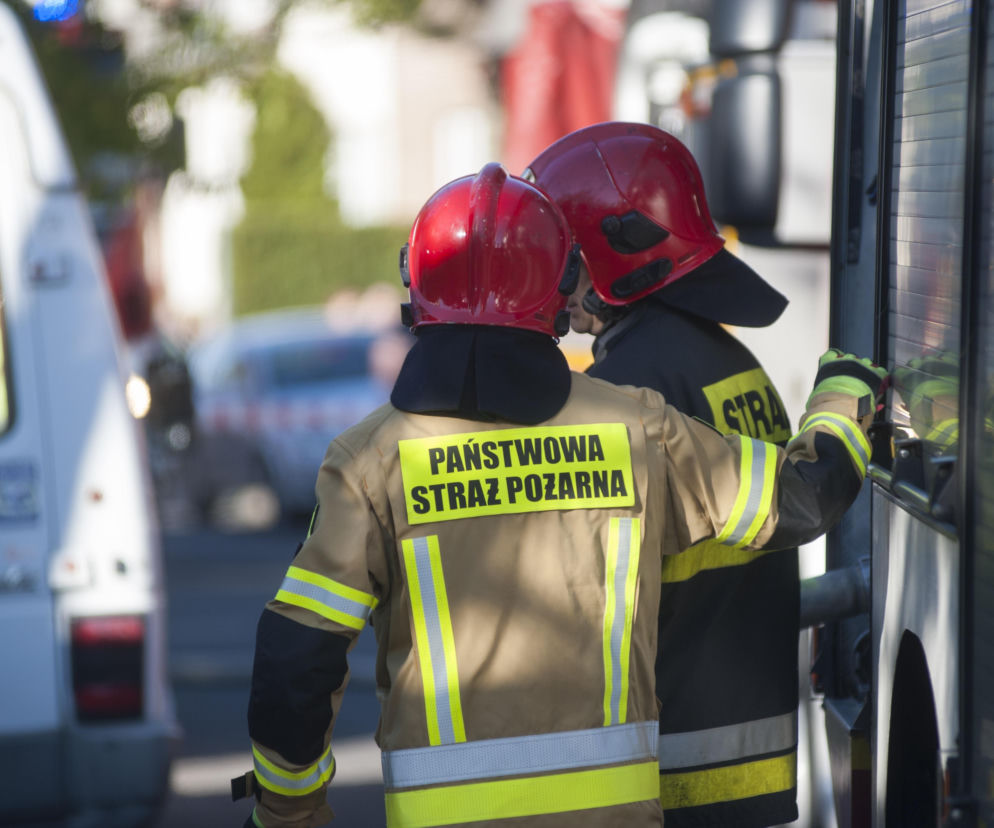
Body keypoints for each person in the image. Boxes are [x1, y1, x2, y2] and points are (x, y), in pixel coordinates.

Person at [233, 162, 885, 828]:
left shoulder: (369, 461)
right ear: (562, 283)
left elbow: (296, 660)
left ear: (417, 284)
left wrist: (289, 811)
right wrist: (841, 402)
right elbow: (802, 502)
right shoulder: (639, 429)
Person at [524, 121, 803, 827]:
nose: (559, 280)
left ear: (621, 254)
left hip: (669, 768)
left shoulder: (627, 393)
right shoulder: (731, 364)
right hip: (748, 752)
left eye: (570, 258)